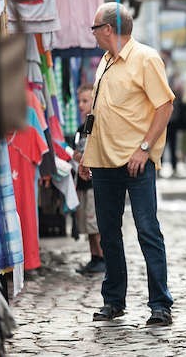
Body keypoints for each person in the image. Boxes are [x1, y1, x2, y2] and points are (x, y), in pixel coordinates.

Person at [78, 2, 175, 326]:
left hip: (136, 163)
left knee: (148, 231)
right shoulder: (105, 61)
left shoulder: (145, 58)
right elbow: (99, 114)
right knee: (108, 234)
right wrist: (86, 153)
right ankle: (114, 300)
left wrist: (144, 149)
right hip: (104, 162)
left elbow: (164, 106)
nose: (92, 33)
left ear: (107, 29)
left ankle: (160, 304)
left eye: (94, 27)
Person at [73, 84, 105, 275]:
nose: (80, 105)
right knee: (87, 223)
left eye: (85, 101)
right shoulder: (80, 128)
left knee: (95, 223)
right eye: (79, 101)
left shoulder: (97, 126)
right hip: (82, 183)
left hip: (93, 182)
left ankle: (102, 257)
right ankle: (94, 256)